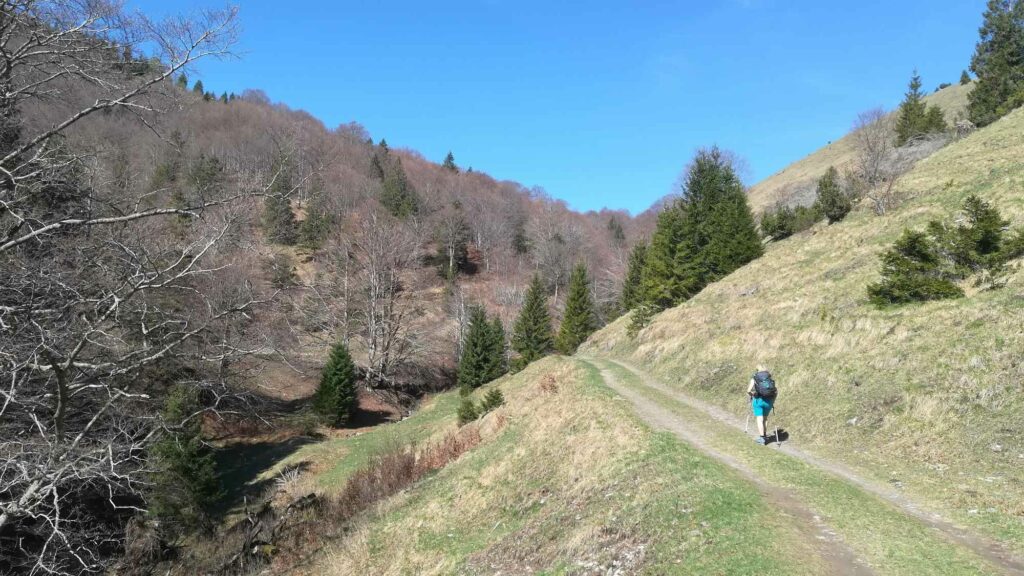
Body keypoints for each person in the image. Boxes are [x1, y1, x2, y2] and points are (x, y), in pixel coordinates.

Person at [747, 365, 776, 445]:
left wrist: (752, 394)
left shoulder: (755, 378)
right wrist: (773, 401)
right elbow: (775, 391)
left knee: (759, 419)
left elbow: (748, 390)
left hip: (758, 400)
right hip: (769, 401)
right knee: (765, 419)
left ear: (757, 370)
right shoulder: (769, 379)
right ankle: (765, 435)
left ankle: (762, 438)